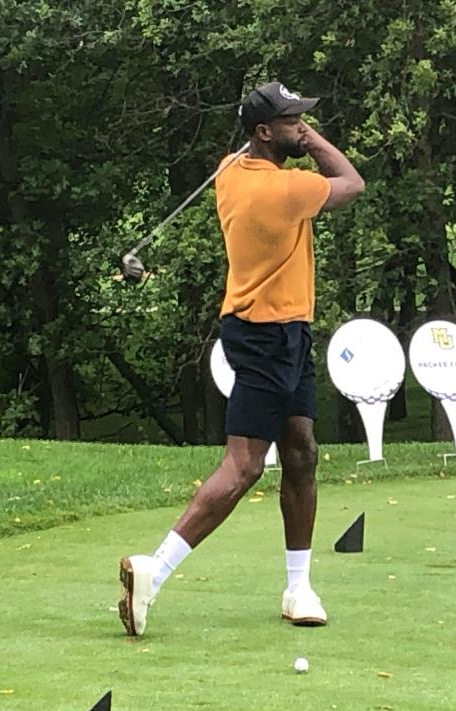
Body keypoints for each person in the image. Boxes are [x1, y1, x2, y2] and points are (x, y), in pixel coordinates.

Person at [118, 81, 365, 637]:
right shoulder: (281, 190)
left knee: (301, 450)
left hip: (284, 333)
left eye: (303, 118)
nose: (300, 126)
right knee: (245, 465)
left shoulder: (232, 173)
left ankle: (298, 586)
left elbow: (249, 155)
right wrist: (314, 139)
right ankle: (154, 570)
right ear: (262, 132)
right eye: (291, 121)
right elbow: (352, 182)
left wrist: (285, 133)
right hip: (266, 336)